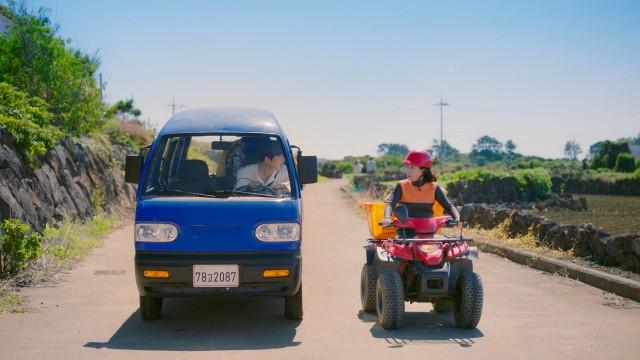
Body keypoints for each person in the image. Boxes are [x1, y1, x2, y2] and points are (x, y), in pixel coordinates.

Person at [381, 149, 459, 226]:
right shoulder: (401, 185)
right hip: (405, 232)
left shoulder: (434, 187)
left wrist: (457, 217)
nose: (408, 171)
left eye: (412, 168)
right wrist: (387, 217)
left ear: (423, 171)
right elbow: (390, 204)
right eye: (408, 167)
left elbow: (448, 206)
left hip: (429, 230)